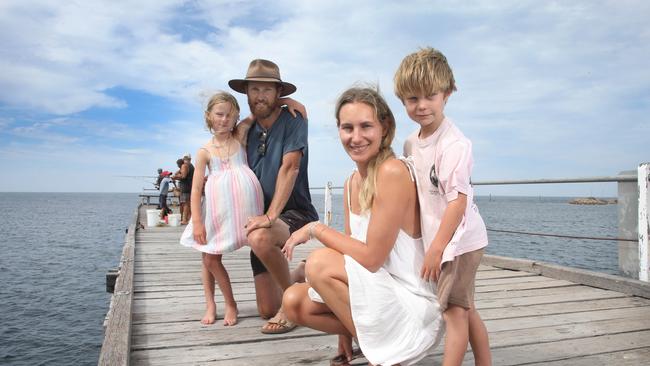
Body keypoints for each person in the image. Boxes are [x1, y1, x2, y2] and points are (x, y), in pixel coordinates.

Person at [282, 86, 444, 366]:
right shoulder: (350, 183)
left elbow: (371, 258)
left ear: (385, 127)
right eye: (348, 128)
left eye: (366, 126)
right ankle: (367, 342)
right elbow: (349, 257)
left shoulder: (392, 171)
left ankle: (386, 357)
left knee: (317, 264)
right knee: (293, 301)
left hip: (412, 309)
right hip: (379, 293)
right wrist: (343, 330)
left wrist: (314, 229)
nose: (356, 137)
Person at [394, 47, 491, 366]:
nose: (421, 106)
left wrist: (436, 249)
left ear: (448, 93)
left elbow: (458, 202)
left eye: (430, 96)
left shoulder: (454, 145)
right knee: (465, 307)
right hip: (444, 240)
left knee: (454, 313)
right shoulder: (411, 142)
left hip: (459, 243)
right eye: (412, 99)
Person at [228, 59, 318, 334]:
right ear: (246, 94)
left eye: (268, 90)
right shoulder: (245, 130)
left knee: (259, 236)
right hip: (262, 216)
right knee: (266, 308)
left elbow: (290, 167)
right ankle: (299, 275)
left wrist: (270, 216)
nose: (261, 96)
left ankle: (291, 307)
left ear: (279, 93)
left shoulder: (294, 119)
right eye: (255, 89)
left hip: (293, 212)